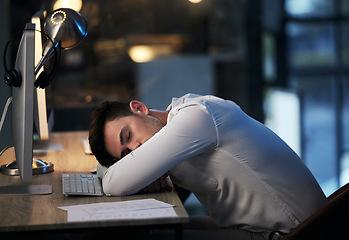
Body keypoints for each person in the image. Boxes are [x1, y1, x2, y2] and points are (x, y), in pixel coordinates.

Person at [88, 93, 327, 239]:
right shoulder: (181, 118)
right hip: (261, 228)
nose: (136, 150)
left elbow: (114, 183)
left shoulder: (194, 118)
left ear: (139, 108)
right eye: (126, 155)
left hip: (296, 233)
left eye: (128, 135)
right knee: (153, 233)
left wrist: (126, 172)